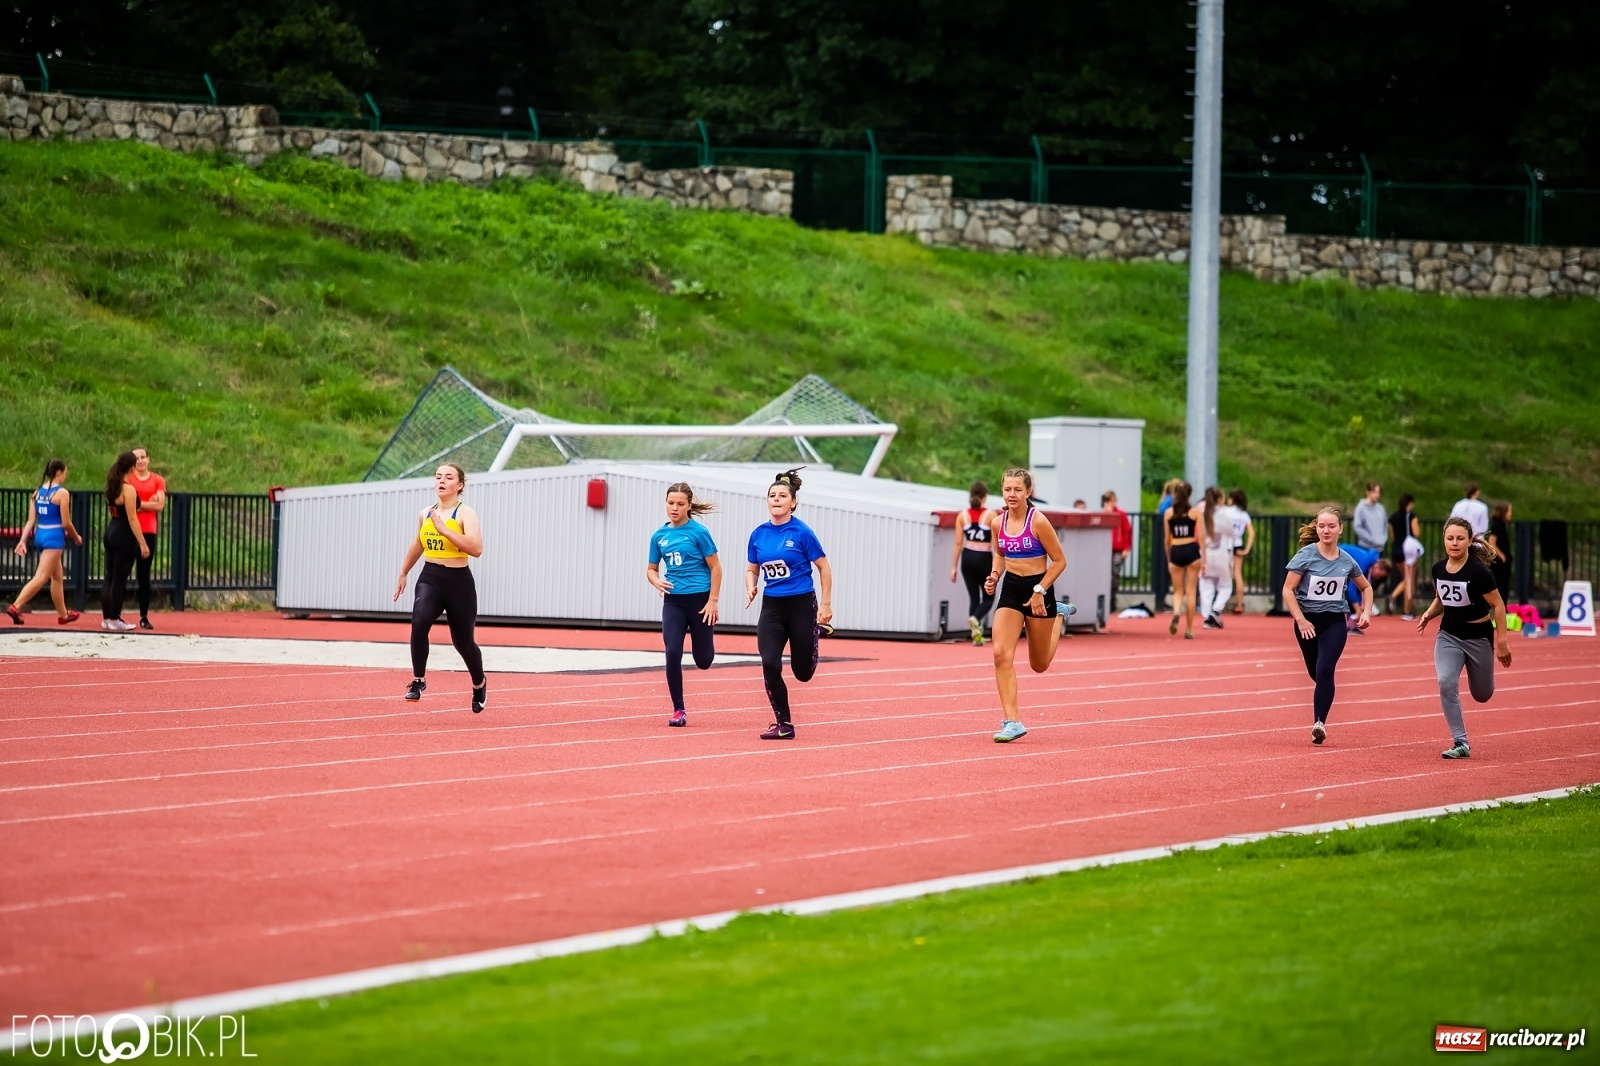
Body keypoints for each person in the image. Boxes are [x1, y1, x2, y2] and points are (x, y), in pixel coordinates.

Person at [982, 468, 1069, 743]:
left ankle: (1058, 616)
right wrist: (995, 576)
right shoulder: (997, 523)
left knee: (1039, 664)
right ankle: (1012, 721)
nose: (1012, 494)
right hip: (1011, 589)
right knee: (1000, 654)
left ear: (1028, 492)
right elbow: (999, 554)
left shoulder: (1038, 522)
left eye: (1017, 489)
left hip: (1039, 588)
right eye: (1007, 489)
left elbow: (1059, 561)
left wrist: (1041, 590)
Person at [745, 469, 832, 741]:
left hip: (801, 603)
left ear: (792, 502)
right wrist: (750, 585)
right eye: (772, 496)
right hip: (772, 607)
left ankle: (814, 632)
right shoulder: (758, 534)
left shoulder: (802, 532)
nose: (776, 500)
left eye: (782, 496)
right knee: (770, 663)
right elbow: (752, 569)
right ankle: (784, 723)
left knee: (802, 673)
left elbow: (823, 567)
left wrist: (825, 605)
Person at [392, 463, 487, 712]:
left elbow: (476, 549)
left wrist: (444, 529)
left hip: (459, 583)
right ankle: (419, 680)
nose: (441, 481)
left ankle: (479, 683)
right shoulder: (426, 513)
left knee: (463, 643)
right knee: (419, 621)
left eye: (448, 477)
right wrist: (403, 572)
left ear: (460, 485)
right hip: (430, 577)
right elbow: (417, 544)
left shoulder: (466, 514)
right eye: (438, 477)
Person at [1416, 517, 1512, 759]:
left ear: (1469, 541)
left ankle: (1480, 675)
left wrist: (1502, 642)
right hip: (1449, 635)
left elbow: (1498, 605)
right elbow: (1441, 599)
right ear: (1444, 540)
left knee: (1482, 694)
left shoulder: (1479, 573)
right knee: (1446, 683)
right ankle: (1461, 741)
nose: (1455, 543)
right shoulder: (1438, 569)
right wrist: (1429, 613)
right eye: (1450, 538)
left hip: (1478, 638)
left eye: (1460, 538)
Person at [1283, 506, 1373, 745]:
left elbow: (1366, 587)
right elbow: (1288, 589)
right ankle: (1324, 695)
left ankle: (1319, 724)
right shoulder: (1305, 556)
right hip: (1307, 622)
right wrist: (1300, 619)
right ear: (1316, 527)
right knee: (1316, 673)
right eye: (1322, 526)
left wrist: (1366, 611)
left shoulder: (1346, 560)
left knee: (1325, 669)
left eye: (1331, 526)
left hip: (1334, 621)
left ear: (1340, 529)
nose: (1326, 530)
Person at [647, 482, 721, 727]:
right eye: (670, 503)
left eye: (680, 504)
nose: (674, 508)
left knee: (704, 660)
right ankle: (679, 709)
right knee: (672, 652)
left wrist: (713, 602)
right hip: (674, 602)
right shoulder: (659, 536)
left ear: (689, 505)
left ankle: (705, 641)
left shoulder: (698, 533)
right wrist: (657, 581)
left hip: (700, 601)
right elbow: (651, 569)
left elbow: (716, 568)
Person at [6, 459, 83, 626]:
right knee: (41, 577)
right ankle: (16, 606)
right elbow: (66, 522)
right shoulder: (61, 493)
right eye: (65, 473)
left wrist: (23, 540)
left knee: (57, 577)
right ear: (58, 473)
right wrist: (76, 537)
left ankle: (63, 614)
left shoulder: (37, 492)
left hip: (40, 534)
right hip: (54, 537)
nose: (65, 476)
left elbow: (30, 520)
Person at [100, 451, 150, 633]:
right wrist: (143, 543)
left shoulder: (111, 486)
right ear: (131, 467)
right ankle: (115, 619)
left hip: (111, 529)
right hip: (123, 534)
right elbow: (132, 518)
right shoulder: (128, 489)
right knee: (119, 579)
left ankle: (106, 618)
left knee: (109, 576)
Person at [950, 481, 995, 646]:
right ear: (985, 497)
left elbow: (957, 544)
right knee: (989, 598)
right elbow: (996, 545)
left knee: (974, 598)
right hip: (983, 557)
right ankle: (975, 618)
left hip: (967, 557)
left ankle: (976, 635)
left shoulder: (962, 516)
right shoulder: (991, 516)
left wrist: (953, 567)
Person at [129, 446, 166, 630]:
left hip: (148, 530)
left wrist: (139, 504)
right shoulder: (127, 479)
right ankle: (114, 615)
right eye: (136, 458)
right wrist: (148, 503)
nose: (140, 461)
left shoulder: (158, 480)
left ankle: (144, 616)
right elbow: (127, 507)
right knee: (121, 572)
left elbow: (159, 506)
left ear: (148, 459)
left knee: (144, 575)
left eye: (143, 457)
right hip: (129, 530)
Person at [1163, 481, 1203, 639]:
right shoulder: (1194, 513)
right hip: (1191, 549)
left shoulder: (1168, 513)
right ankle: (1189, 629)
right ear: (1189, 495)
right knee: (1191, 591)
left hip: (1176, 550)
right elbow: (1201, 537)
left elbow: (1167, 540)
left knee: (1178, 591)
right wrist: (1204, 559)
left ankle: (1176, 612)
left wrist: (1169, 559)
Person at [1198, 486, 1238, 630]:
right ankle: (1216, 610)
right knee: (1226, 585)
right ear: (1219, 499)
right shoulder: (1224, 514)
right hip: (1221, 554)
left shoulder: (1201, 512)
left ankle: (1207, 615)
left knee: (1206, 585)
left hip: (1206, 554)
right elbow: (1232, 532)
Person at [1338, 543, 1393, 634]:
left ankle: (1351, 623)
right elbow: (1352, 588)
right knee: (1347, 592)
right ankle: (1348, 624)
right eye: (1379, 575)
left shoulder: (1368, 562)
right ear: (1377, 567)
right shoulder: (1363, 563)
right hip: (1335, 560)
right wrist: (1358, 609)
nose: (1377, 578)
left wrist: (1361, 606)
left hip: (1340, 564)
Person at [1385, 493, 1423, 620]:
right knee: (1409, 580)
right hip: (1408, 551)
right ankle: (1406, 610)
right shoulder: (1411, 516)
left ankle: (1393, 597)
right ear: (1410, 503)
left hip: (1396, 550)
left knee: (1406, 579)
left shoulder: (1393, 518)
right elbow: (1416, 532)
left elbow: (1392, 536)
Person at [1102, 491, 1132, 612]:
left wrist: (1127, 548)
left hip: (1118, 549)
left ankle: (1112, 600)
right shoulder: (1103, 515)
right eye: (1109, 501)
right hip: (1105, 549)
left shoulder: (1121, 514)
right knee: (1104, 574)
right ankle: (1106, 601)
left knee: (1115, 574)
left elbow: (1127, 531)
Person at [1227, 489, 1255, 616]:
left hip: (1225, 545)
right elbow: (1251, 533)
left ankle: (1218, 604)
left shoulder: (1226, 512)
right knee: (1237, 575)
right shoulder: (1243, 514)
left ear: (1232, 499)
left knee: (1223, 575)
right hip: (1238, 545)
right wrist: (1247, 549)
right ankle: (1239, 604)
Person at [1486, 501, 1513, 597]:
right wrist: (1501, 556)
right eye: (1508, 511)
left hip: (1504, 562)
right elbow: (1491, 542)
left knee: (1504, 587)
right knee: (1500, 586)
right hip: (1499, 562)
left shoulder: (1502, 525)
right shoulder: (1496, 525)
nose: (1510, 514)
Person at [1352, 482, 1387, 555]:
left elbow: (1385, 525)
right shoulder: (1361, 508)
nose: (1377, 495)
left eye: (1378, 492)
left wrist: (1383, 539)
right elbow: (1357, 527)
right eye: (1374, 492)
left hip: (1379, 548)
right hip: (1365, 547)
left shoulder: (1381, 508)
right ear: (1367, 492)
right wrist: (1371, 540)